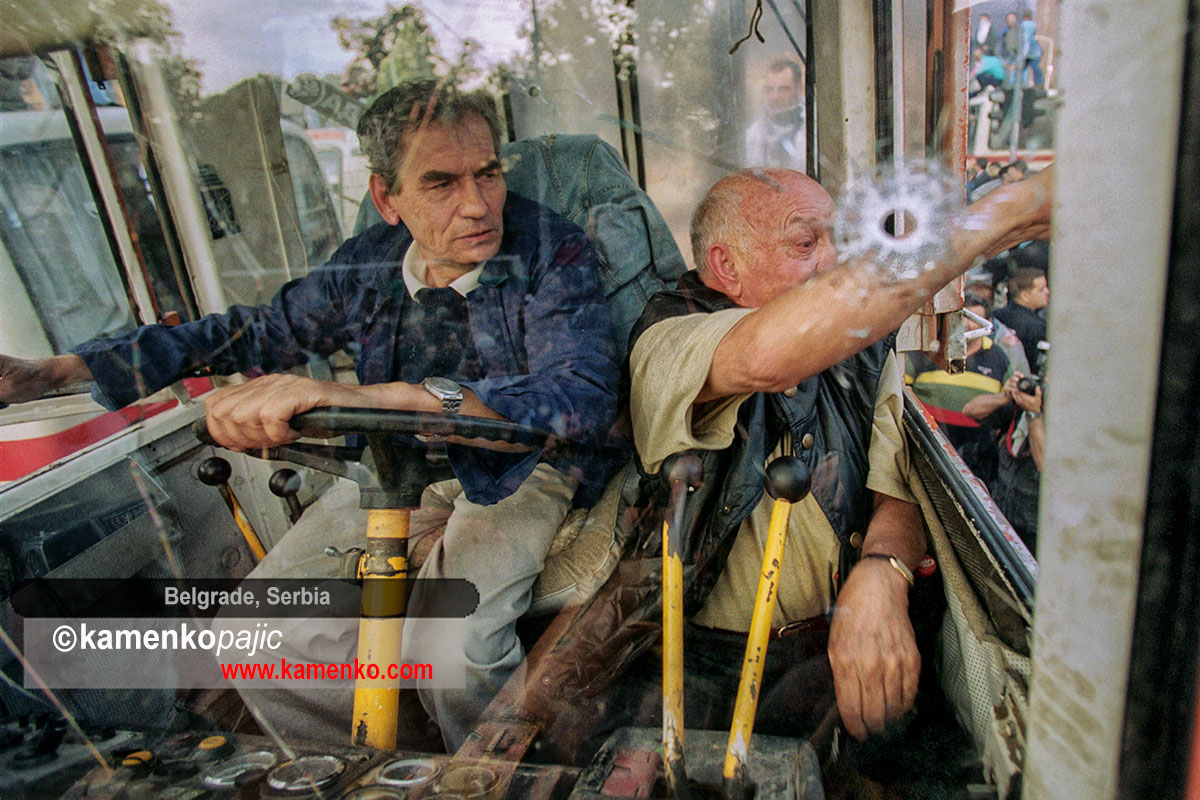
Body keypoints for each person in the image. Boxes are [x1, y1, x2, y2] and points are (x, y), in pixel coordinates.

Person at [0, 79, 622, 749]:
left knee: (454, 647)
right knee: (254, 638)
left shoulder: (552, 251)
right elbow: (252, 332)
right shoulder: (367, 266)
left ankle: (490, 780)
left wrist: (384, 398)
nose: (478, 205)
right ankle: (388, 769)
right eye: (441, 183)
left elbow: (578, 399)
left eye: (488, 174)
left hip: (520, 467)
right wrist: (62, 371)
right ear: (387, 198)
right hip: (393, 471)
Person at [626, 166, 1052, 740]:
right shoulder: (667, 338)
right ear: (727, 267)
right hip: (705, 669)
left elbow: (895, 492)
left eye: (837, 242)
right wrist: (1003, 214)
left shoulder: (865, 349)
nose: (833, 263)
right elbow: (763, 357)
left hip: (830, 654)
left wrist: (883, 572)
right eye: (806, 244)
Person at [906, 292, 1015, 485]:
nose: (965, 324)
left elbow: (1007, 405)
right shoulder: (929, 350)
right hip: (927, 447)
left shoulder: (999, 358)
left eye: (973, 319)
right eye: (962, 316)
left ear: (987, 323)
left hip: (976, 455)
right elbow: (903, 391)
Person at [993, 369, 1045, 550]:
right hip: (1001, 514)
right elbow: (970, 410)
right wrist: (1005, 397)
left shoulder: (1068, 420)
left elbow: (1045, 465)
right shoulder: (1020, 408)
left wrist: (1034, 414)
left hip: (1032, 527)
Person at [744, 58, 806, 171]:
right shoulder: (754, 132)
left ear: (800, 89)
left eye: (783, 89)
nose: (775, 97)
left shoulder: (814, 128)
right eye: (770, 90)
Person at [994, 264, 1049, 369]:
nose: (1047, 292)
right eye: (1041, 289)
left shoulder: (996, 316)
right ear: (1025, 296)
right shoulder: (1036, 327)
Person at [1021, 10, 1044, 88]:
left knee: (1023, 68)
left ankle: (1022, 84)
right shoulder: (1033, 25)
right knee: (1034, 67)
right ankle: (1039, 83)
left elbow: (1026, 43)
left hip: (1030, 53)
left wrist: (1023, 56)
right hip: (1035, 52)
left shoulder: (1024, 26)